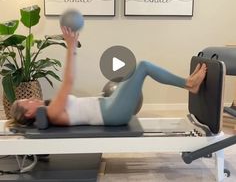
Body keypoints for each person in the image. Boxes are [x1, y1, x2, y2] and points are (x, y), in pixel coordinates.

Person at [10, 26, 207, 127]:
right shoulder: (51, 112)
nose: (32, 98)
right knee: (143, 66)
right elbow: (68, 81)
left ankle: (189, 83)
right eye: (27, 101)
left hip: (108, 104)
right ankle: (189, 83)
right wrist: (71, 47)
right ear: (28, 113)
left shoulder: (49, 109)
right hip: (112, 113)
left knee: (133, 69)